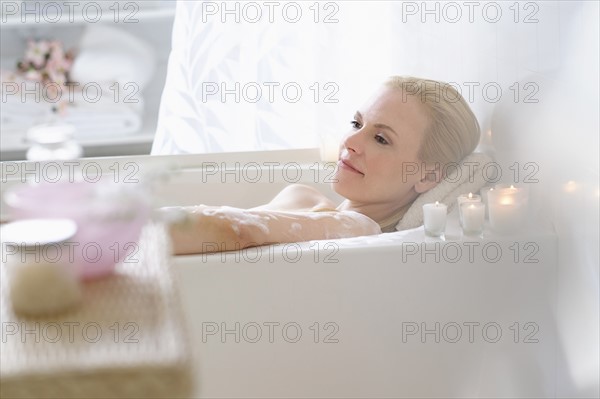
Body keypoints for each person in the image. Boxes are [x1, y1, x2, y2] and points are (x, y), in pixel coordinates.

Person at [166, 76, 480, 255]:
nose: (352, 142)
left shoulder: (359, 231)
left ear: (426, 175)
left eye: (381, 139)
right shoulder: (302, 196)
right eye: (357, 123)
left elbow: (237, 230)